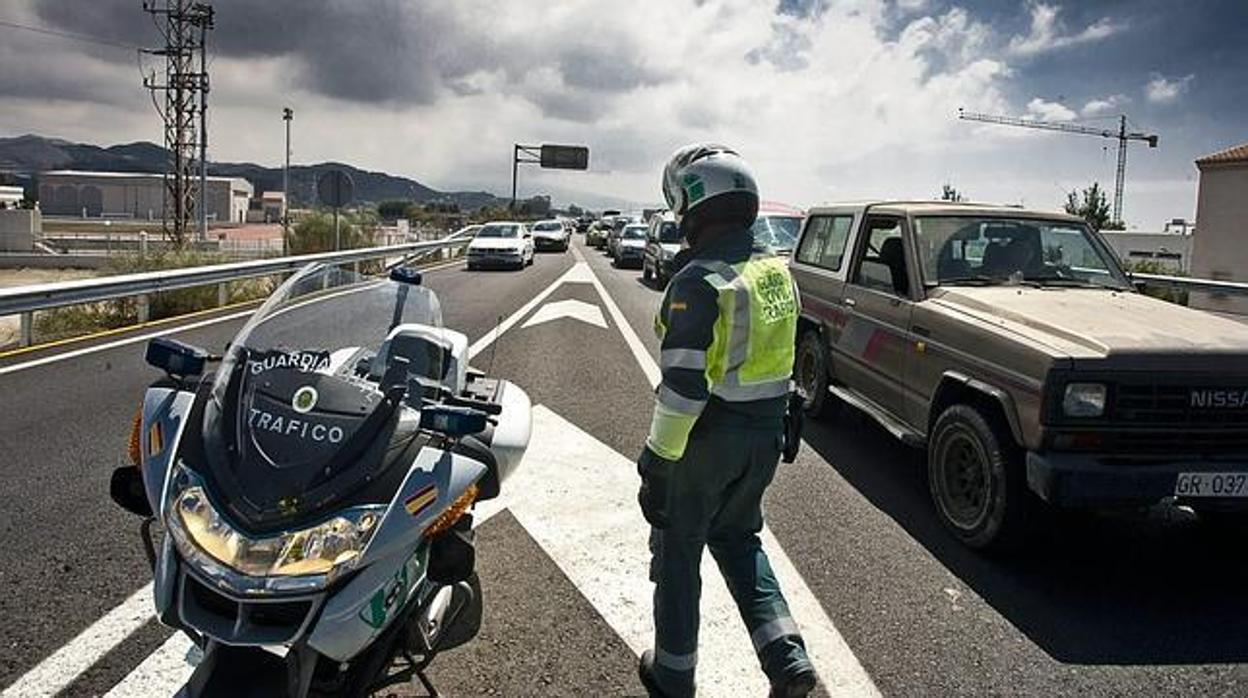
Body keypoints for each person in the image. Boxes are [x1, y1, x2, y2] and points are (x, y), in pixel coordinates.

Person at [636, 143, 816, 697]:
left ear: (691, 208)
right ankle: (787, 660)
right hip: (765, 435)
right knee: (740, 542)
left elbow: (685, 391)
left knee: (677, 554)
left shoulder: (697, 282)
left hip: (705, 443)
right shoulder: (774, 274)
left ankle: (672, 673)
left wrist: (656, 463)